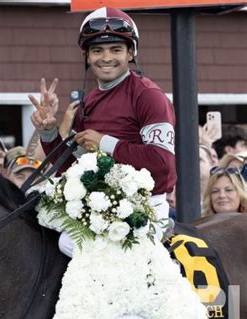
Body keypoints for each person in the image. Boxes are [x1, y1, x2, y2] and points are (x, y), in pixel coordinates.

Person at [29, 7, 176, 256]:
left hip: (146, 208)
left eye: (115, 49)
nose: (106, 57)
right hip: (97, 208)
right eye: (97, 50)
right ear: (87, 56)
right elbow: (73, 171)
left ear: (131, 53)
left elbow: (163, 166)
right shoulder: (89, 102)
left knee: (69, 244)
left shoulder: (149, 96)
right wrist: (47, 134)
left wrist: (106, 143)